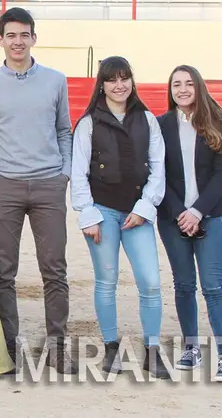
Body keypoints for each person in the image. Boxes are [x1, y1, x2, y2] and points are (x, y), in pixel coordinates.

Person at [0, 7, 75, 373]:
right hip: (5, 185)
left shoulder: (55, 80)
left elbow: (65, 130)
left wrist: (63, 173)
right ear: (0, 39)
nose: (18, 41)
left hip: (49, 183)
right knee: (3, 270)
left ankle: (58, 348)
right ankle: (8, 348)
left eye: (24, 34)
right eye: (11, 35)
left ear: (34, 37)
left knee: (55, 270)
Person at [70, 56, 169, 379]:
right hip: (104, 213)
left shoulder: (147, 120)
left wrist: (144, 208)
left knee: (151, 283)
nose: (119, 85)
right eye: (112, 79)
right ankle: (111, 349)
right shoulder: (88, 123)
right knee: (106, 281)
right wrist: (88, 212)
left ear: (132, 81)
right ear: (102, 84)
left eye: (124, 78)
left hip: (137, 214)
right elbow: (79, 172)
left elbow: (157, 169)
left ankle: (152, 352)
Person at [157, 65, 222, 383]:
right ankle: (191, 347)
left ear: (199, 87)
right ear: (170, 90)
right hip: (173, 217)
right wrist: (181, 212)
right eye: (176, 84)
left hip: (211, 215)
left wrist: (198, 212)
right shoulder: (161, 126)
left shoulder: (216, 121)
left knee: (213, 287)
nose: (183, 89)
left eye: (189, 83)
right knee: (184, 285)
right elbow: (158, 174)